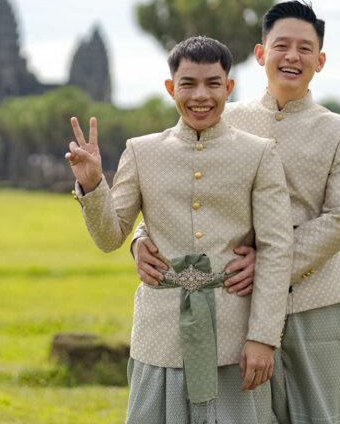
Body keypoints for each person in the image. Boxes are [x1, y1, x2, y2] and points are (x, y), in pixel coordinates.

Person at [133, 1, 340, 424]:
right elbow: (182, 185)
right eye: (282, 46)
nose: (292, 56)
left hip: (315, 301)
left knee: (321, 415)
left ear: (320, 61)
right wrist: (139, 238)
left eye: (304, 48)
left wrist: (273, 264)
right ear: (261, 55)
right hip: (235, 305)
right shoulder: (223, 117)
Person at [65, 36, 293, 424]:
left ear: (229, 87)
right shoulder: (141, 151)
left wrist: (263, 337)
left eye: (212, 83)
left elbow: (276, 248)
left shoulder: (260, 153)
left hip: (234, 339)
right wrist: (92, 184)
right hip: (160, 336)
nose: (200, 95)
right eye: (188, 84)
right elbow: (110, 237)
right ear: (171, 88)